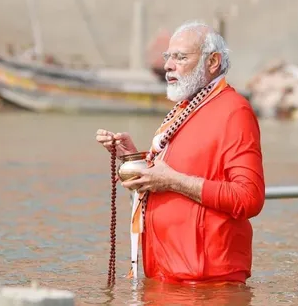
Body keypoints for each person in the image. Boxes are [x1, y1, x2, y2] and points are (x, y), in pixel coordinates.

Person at [95, 21, 265, 285]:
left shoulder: (234, 111)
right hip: (164, 275)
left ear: (212, 62)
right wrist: (133, 160)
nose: (168, 66)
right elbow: (169, 173)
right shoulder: (185, 107)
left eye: (180, 57)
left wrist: (173, 181)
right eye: (168, 57)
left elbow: (249, 198)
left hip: (207, 285)